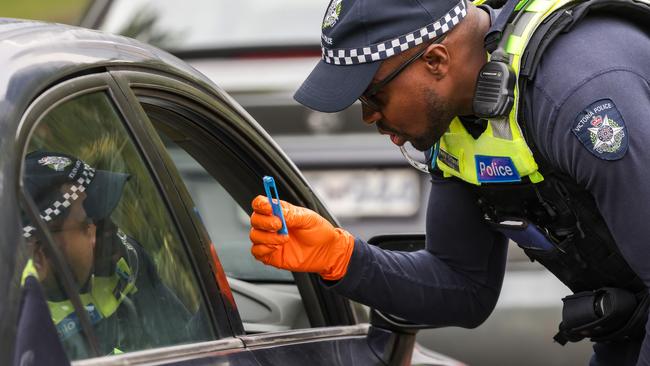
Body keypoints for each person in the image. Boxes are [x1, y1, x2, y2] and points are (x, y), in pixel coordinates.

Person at [248, 0, 650, 364]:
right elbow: (464, 287)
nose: (368, 116)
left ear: (436, 61)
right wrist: (341, 257)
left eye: (372, 96)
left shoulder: (578, 97)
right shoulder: (461, 118)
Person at [19, 150, 195, 359]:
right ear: (38, 255)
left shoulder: (123, 261)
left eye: (105, 217)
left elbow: (186, 344)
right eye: (88, 223)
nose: (108, 230)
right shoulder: (18, 332)